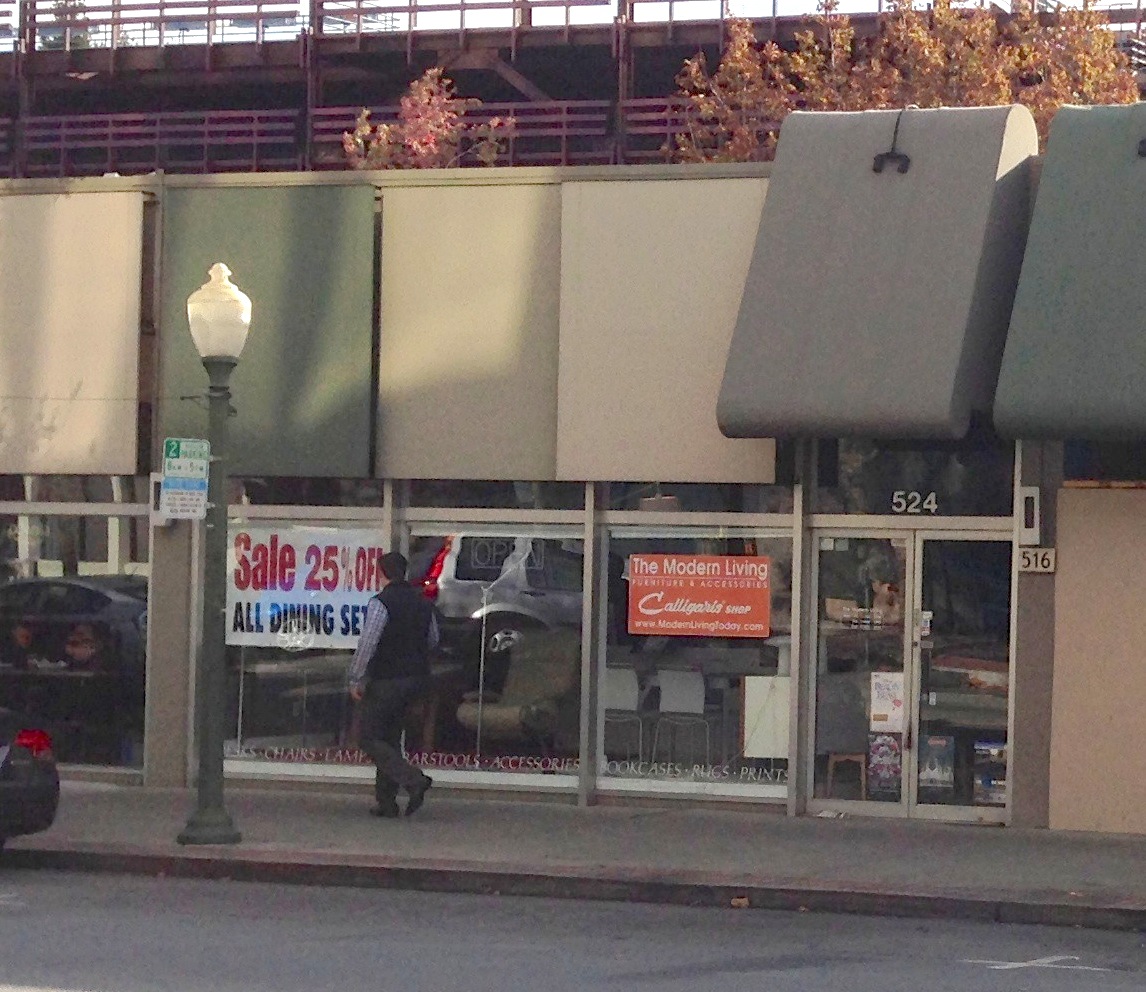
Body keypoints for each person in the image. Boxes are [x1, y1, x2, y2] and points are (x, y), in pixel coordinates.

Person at [348, 551, 437, 818]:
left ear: (381, 573)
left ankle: (413, 780)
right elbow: (432, 639)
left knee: (368, 737)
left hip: (387, 679)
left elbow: (368, 644)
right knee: (388, 738)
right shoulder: (423, 603)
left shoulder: (381, 603)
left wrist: (356, 677)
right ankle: (387, 803)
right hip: (416, 679)